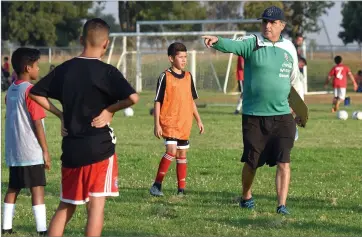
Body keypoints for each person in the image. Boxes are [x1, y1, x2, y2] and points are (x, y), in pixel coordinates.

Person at [29, 18, 139, 236]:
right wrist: (109, 111)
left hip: (72, 149)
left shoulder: (65, 69)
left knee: (66, 205)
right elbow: (133, 98)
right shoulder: (108, 72)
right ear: (106, 44)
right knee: (96, 208)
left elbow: (34, 92)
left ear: (81, 40)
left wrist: (61, 114)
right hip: (100, 148)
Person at [202, 6, 304, 215]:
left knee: (284, 161)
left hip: (283, 115)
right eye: (264, 21)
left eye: (272, 22)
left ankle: (281, 205)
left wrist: (300, 109)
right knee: (251, 162)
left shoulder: (289, 48)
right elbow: (231, 44)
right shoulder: (253, 42)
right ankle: (246, 195)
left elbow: (295, 80)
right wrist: (217, 41)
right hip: (254, 115)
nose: (267, 25)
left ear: (281, 25)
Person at [3, 48, 50, 236]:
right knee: (37, 189)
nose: (39, 69)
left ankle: (6, 227)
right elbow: (37, 123)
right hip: (31, 151)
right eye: (37, 66)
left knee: (13, 188)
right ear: (28, 68)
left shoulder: (11, 90)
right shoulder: (31, 91)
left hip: (15, 152)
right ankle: (42, 230)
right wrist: (45, 151)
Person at [149, 42, 204, 197]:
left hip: (184, 122)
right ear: (171, 59)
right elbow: (158, 100)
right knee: (171, 151)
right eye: (180, 57)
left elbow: (191, 100)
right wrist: (156, 124)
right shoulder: (164, 76)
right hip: (169, 121)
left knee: (182, 155)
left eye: (185, 57)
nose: (184, 60)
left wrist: (199, 120)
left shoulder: (188, 77)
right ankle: (157, 184)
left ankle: (181, 190)